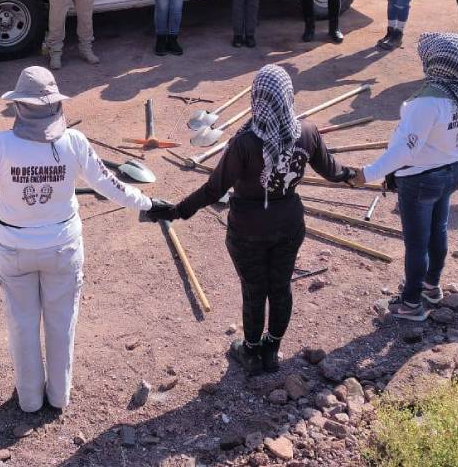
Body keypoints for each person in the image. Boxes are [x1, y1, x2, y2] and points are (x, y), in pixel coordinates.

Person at [0, 67, 164, 412]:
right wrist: (149, 203)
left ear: (19, 107)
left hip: (14, 249)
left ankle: (30, 399)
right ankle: (59, 395)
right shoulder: (74, 143)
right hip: (63, 247)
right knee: (62, 324)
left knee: (21, 325)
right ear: (55, 105)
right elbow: (110, 185)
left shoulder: (0, 146)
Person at [147, 65, 356, 373]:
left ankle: (251, 351)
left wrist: (178, 211)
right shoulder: (307, 132)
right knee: (281, 286)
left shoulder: (245, 141)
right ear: (288, 97)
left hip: (248, 230)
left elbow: (214, 189)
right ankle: (272, 351)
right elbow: (332, 170)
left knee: (254, 290)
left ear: (256, 97)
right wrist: (355, 176)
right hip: (289, 224)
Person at [351, 34, 458, 321]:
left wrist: (368, 174)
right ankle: (431, 286)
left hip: (420, 179)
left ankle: (411, 303)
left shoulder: (426, 103)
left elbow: (405, 151)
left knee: (416, 242)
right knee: (438, 230)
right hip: (450, 172)